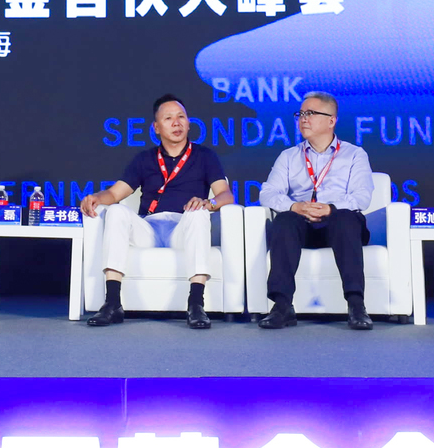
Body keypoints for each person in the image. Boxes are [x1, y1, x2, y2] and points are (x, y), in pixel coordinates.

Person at [79, 93, 233, 330]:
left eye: (181, 117)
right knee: (116, 211)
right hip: (149, 228)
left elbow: (226, 195)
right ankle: (112, 304)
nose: (176, 123)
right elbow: (115, 194)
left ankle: (196, 304)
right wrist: (97, 198)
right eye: (168, 118)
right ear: (156, 128)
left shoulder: (205, 156)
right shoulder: (145, 159)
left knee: (198, 213)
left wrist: (208, 203)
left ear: (189, 123)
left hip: (183, 228)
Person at [256, 91, 376, 330]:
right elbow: (267, 193)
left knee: (345, 218)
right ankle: (282, 306)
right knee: (285, 220)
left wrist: (330, 209)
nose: (303, 119)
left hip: (339, 225)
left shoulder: (354, 154)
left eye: (310, 113)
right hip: (303, 226)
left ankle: (356, 305)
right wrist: (295, 206)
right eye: (300, 114)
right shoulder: (289, 156)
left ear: (331, 121)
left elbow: (362, 197)